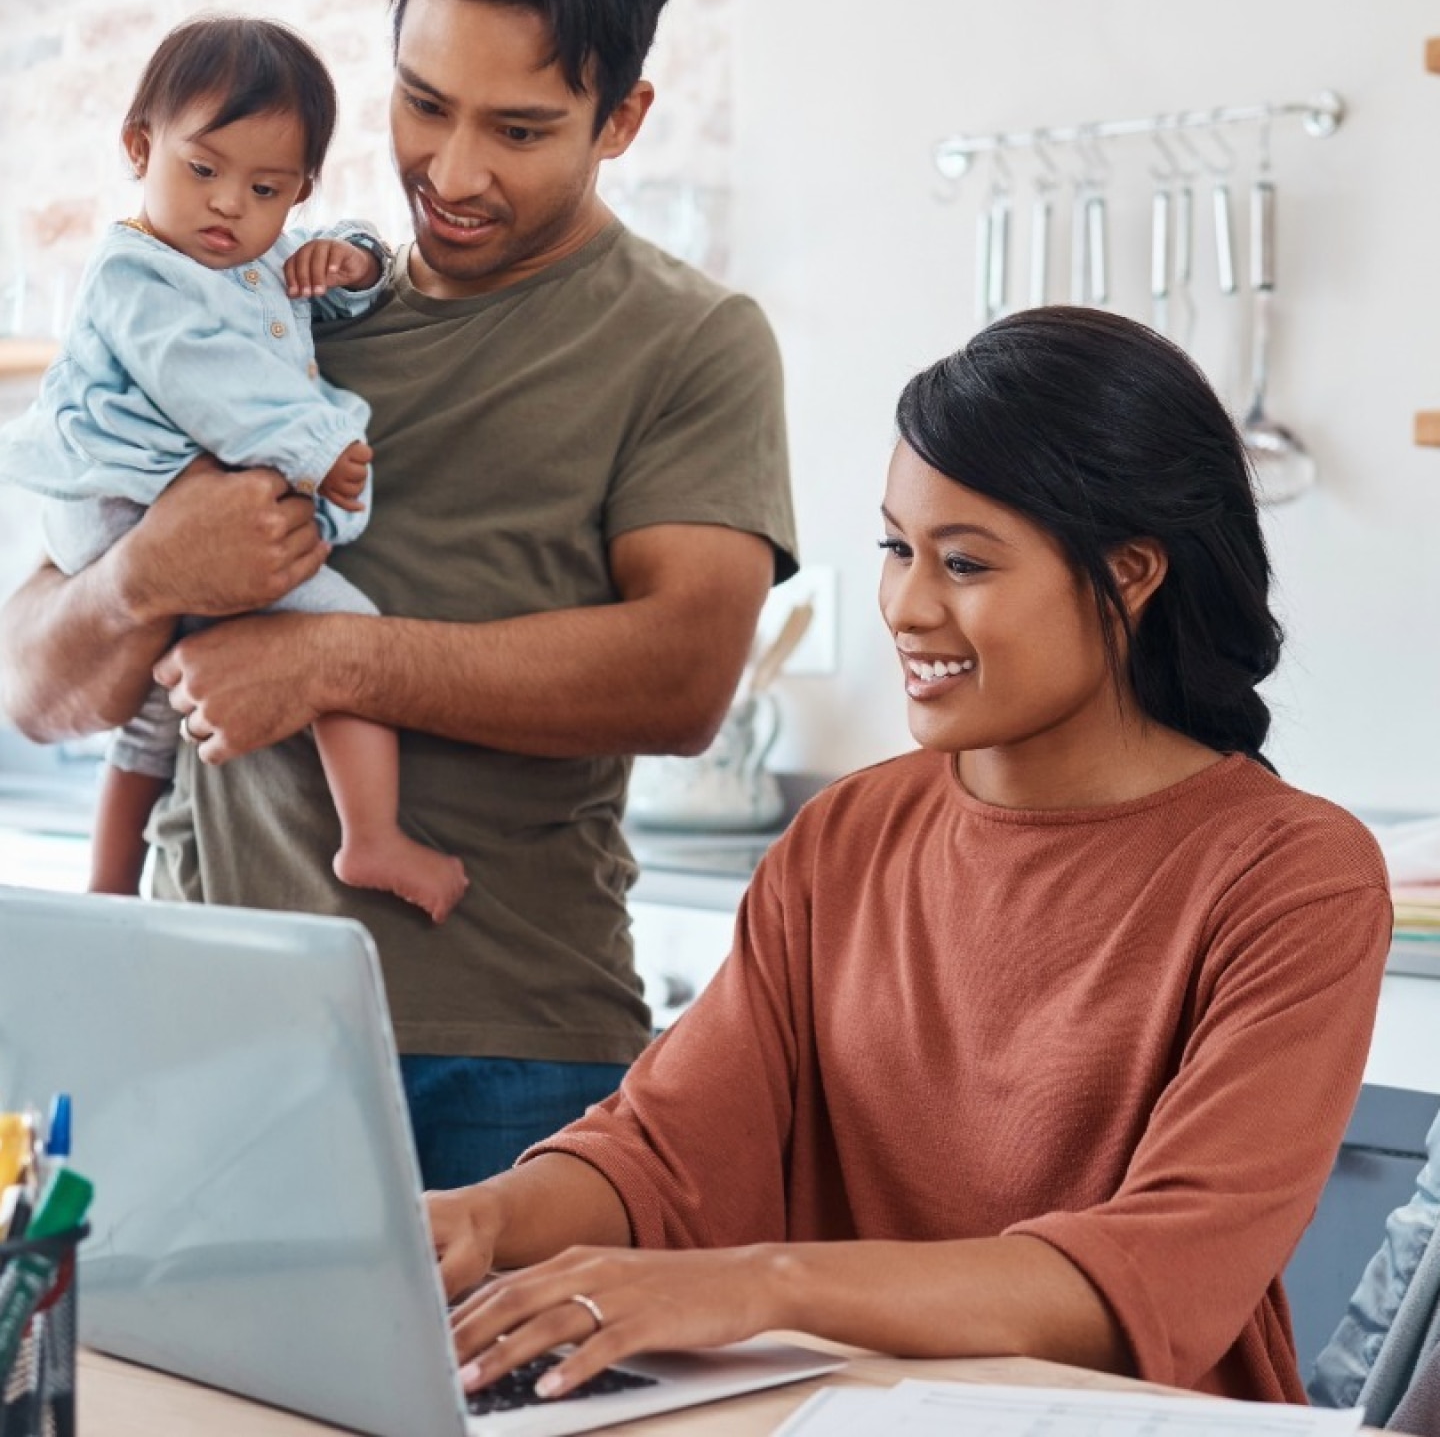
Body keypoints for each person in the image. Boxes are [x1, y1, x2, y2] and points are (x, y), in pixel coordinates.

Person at [422, 307, 1392, 1407]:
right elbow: (668, 1145)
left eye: (966, 563)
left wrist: (763, 1286)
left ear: (1129, 574)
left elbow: (1163, 1273)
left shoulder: (1294, 877)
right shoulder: (847, 836)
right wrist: (478, 1217)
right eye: (897, 548)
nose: (907, 606)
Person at [0, 0, 796, 1188]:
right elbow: (36, 685)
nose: (454, 170)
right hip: (208, 1028)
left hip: (514, 1051)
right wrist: (146, 576)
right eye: (425, 105)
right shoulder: (256, 302)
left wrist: (336, 663)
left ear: (620, 119)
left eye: (520, 131)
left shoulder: (690, 341)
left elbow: (684, 677)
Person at [0, 15, 468, 924]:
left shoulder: (256, 260)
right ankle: (372, 834)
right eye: (202, 170)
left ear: (295, 196)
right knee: (347, 624)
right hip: (116, 500)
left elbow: (342, 278)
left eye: (264, 188)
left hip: (140, 502)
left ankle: (106, 890)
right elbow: (203, 379)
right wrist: (316, 446)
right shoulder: (139, 271)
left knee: (149, 702)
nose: (227, 206)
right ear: (141, 147)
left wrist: (356, 260)